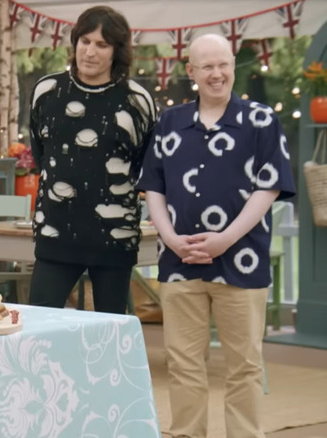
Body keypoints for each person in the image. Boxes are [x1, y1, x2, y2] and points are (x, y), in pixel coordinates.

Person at [137, 33, 296, 438]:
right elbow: (153, 186)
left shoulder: (261, 120)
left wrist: (225, 238)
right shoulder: (170, 122)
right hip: (179, 262)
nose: (217, 73)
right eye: (207, 66)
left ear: (233, 66)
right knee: (183, 364)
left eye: (223, 64)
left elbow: (269, 187)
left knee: (244, 366)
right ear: (191, 71)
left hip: (242, 262)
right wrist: (170, 238)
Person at [27, 5, 156, 314]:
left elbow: (143, 166)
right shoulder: (47, 92)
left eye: (102, 44)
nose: (90, 52)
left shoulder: (137, 101)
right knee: (39, 325)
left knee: (111, 331)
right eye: (85, 41)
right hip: (55, 231)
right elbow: (42, 155)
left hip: (114, 238)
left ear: (117, 51)